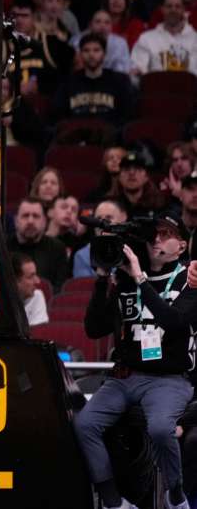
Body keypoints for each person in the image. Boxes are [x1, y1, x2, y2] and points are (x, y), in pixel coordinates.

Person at [77, 216, 197, 509]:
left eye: (165, 233)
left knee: (159, 428)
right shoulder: (126, 279)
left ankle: (176, 495)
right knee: (84, 424)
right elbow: (94, 329)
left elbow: (175, 323)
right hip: (125, 376)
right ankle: (113, 502)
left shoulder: (188, 279)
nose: (156, 238)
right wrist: (103, 278)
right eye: (152, 234)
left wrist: (141, 279)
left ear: (181, 245)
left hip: (169, 378)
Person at [52, 34, 135, 124]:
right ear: (80, 54)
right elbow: (59, 116)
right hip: (76, 135)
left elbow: (127, 115)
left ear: (104, 53)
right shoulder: (67, 83)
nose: (91, 55)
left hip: (110, 135)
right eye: (86, 50)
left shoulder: (120, 81)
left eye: (96, 50)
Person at [8, 197, 72, 290]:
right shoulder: (3, 247)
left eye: (36, 216)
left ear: (44, 222)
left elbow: (60, 289)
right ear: (16, 221)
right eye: (25, 216)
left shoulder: (57, 248)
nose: (30, 221)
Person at [133, 0, 197, 76]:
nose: (173, 10)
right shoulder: (146, 39)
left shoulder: (195, 40)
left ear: (183, 9)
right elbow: (137, 74)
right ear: (162, 9)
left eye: (177, 6)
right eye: (169, 6)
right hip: (155, 88)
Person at [14, 253, 50, 327]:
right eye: (31, 277)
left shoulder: (37, 295)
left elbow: (36, 334)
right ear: (15, 281)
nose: (38, 281)